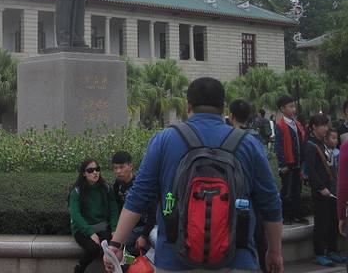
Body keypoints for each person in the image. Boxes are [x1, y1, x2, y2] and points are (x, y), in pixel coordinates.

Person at [104, 77, 284, 273]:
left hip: (173, 260)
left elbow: (139, 196)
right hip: (236, 259)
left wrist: (116, 244)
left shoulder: (164, 140)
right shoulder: (248, 144)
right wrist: (275, 251)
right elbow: (270, 202)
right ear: (223, 107)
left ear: (188, 105)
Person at [229, 99, 268, 273]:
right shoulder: (255, 138)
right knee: (259, 236)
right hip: (255, 195)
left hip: (237, 196)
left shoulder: (230, 138)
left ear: (231, 116)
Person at [304, 116, 347, 266]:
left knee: (333, 220)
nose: (326, 128)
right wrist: (320, 187)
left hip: (332, 188)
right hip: (321, 191)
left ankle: (332, 250)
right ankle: (319, 253)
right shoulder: (310, 145)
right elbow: (311, 170)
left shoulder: (323, 143)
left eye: (326, 125)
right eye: (322, 125)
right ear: (314, 127)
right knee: (322, 222)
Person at [69, 158, 119, 273]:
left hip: (102, 226)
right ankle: (79, 268)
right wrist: (90, 232)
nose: (95, 172)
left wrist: (114, 229)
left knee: (110, 249)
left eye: (97, 169)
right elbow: (75, 215)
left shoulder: (106, 188)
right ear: (83, 173)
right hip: (82, 229)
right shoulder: (76, 192)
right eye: (90, 170)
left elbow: (114, 209)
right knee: (93, 249)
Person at [111, 150, 156, 256]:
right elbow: (118, 207)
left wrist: (144, 235)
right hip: (128, 226)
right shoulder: (118, 184)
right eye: (115, 168)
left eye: (121, 167)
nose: (118, 171)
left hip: (143, 226)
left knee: (119, 246)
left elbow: (153, 212)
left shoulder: (140, 186)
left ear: (130, 166)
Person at [274, 95, 308, 225]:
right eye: (291, 106)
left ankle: (297, 215)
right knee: (286, 191)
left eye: (294, 106)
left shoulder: (296, 123)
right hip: (288, 165)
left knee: (297, 190)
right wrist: (282, 164)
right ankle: (286, 216)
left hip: (298, 163)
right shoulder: (280, 125)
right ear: (282, 109)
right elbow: (278, 146)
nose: (294, 109)